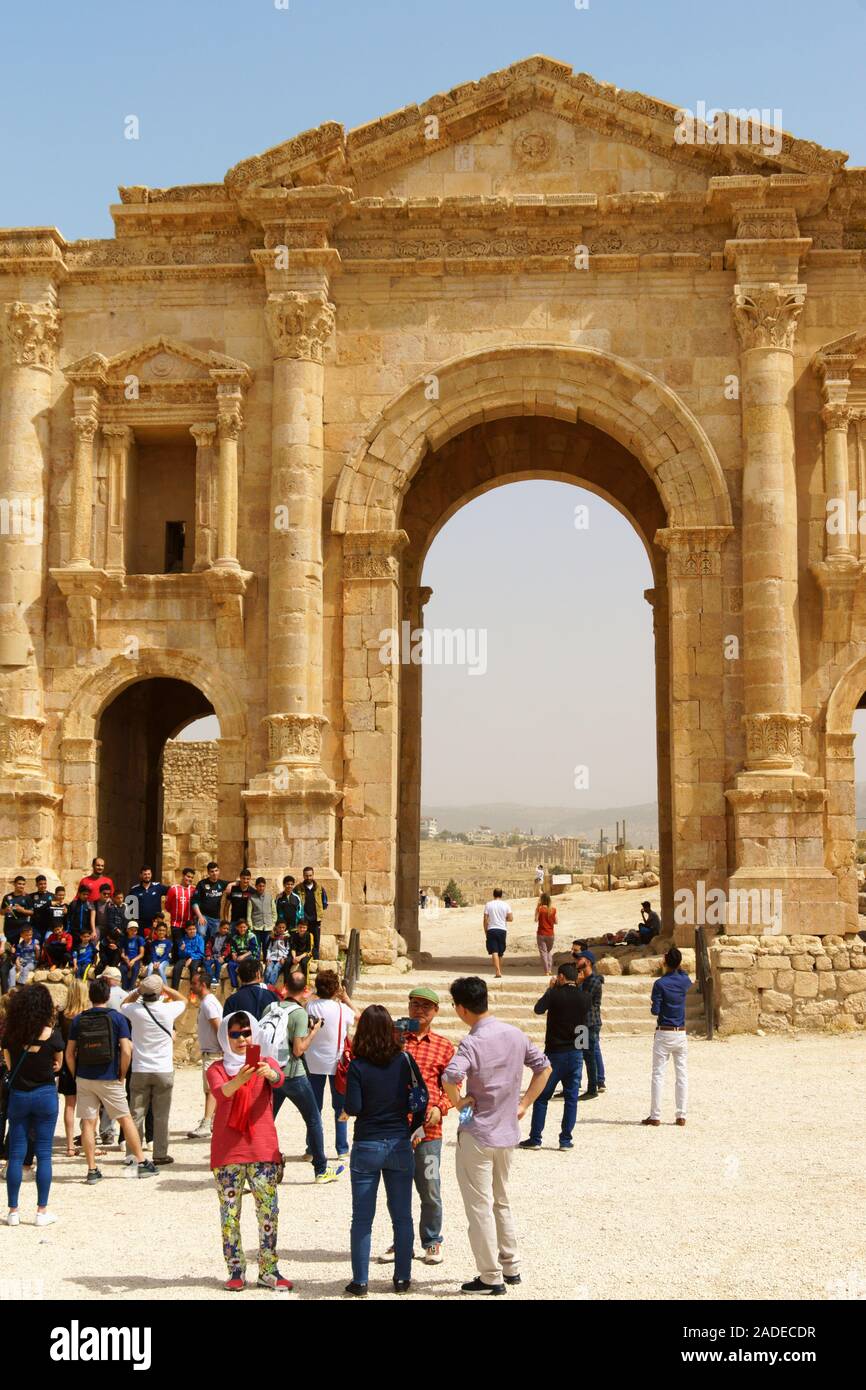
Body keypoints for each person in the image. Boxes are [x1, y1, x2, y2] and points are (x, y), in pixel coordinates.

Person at [442, 976, 551, 1295]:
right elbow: (544, 1068)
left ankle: (490, 1275)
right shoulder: (514, 1034)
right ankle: (511, 1265)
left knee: (479, 1206)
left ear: (461, 1009)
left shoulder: (471, 1042)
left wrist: (458, 1103)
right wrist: (525, 1103)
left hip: (477, 1131)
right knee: (501, 1200)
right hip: (508, 1131)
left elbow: (451, 1075)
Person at [342, 1004, 426, 1296]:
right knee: (402, 1215)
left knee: (362, 1217)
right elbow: (422, 1096)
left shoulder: (358, 1065)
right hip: (399, 1140)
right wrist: (413, 1125)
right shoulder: (404, 1060)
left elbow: (354, 1107)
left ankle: (360, 1281)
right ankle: (402, 1278)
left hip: (367, 1141)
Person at [207, 1011, 290, 1291]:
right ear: (225, 1037)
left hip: (262, 1149)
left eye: (246, 1033)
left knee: (269, 1212)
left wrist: (270, 1072)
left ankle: (269, 1269)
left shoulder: (265, 1062)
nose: (242, 1039)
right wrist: (241, 1078)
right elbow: (222, 1093)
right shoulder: (216, 1068)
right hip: (228, 1151)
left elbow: (280, 1079)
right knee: (230, 1214)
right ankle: (235, 1270)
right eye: (235, 1034)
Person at [66, 976, 157, 1183]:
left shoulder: (79, 1020)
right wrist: (122, 1074)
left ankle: (92, 1170)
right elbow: (126, 1050)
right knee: (125, 1119)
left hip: (85, 1076)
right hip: (109, 1076)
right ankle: (142, 1163)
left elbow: (70, 1053)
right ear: (108, 996)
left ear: (90, 996)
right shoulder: (117, 1018)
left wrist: (75, 1074)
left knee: (88, 1124)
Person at [261, 969, 343, 1184]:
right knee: (314, 1119)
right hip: (294, 1074)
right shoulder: (299, 1014)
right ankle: (321, 1170)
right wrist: (314, 1030)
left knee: (267, 1120)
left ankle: (262, 1165)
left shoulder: (271, 1007)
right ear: (305, 989)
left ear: (284, 987)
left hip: (272, 1073)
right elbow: (298, 1050)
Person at [401, 986, 455, 1265]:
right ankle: (401, 1241)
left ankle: (432, 1240)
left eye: (425, 1006)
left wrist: (440, 1107)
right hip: (396, 1129)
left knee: (430, 1189)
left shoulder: (445, 1046)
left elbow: (454, 1086)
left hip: (429, 1133)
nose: (418, 1010)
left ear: (435, 1011)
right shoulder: (394, 1040)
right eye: (414, 1004)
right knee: (398, 1191)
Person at [3, 983, 62, 1227]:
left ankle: (13, 1211)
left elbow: (9, 1066)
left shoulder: (10, 1035)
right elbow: (58, 1065)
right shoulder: (52, 1034)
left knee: (15, 1155)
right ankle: (41, 1211)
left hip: (19, 1094)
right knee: (44, 1154)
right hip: (45, 1093)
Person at [520, 961, 590, 1151]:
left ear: (560, 977)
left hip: (554, 1053)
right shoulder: (585, 997)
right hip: (575, 1052)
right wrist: (581, 1051)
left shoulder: (554, 994)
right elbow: (584, 1026)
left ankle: (535, 1138)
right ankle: (565, 1140)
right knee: (571, 1099)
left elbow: (538, 1009)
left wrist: (549, 989)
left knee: (542, 1097)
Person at [120, 974, 186, 1165]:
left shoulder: (135, 1010)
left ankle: (133, 1155)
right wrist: (165, 988)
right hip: (163, 1069)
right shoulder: (168, 1010)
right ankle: (160, 1154)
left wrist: (137, 990)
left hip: (140, 1068)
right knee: (161, 1115)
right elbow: (182, 999)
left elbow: (124, 1003)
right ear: (158, 993)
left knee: (135, 1114)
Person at [306, 969, 358, 1159]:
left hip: (312, 1063)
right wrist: (345, 998)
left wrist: (313, 993)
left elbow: (302, 1002)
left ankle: (312, 1149)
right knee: (340, 1107)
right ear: (336, 988)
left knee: (313, 1107)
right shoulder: (342, 1009)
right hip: (337, 1063)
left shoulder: (309, 1007)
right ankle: (342, 1148)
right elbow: (359, 1016)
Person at [643, 945, 692, 1128]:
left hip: (664, 1032)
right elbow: (684, 975)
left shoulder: (660, 984)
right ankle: (681, 1115)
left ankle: (655, 1115)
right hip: (680, 1033)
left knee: (658, 1074)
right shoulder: (685, 981)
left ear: (665, 962)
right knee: (682, 1074)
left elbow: (655, 1010)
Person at [186, 970, 223, 1140]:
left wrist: (223, 1049)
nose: (191, 987)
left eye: (193, 983)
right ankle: (214, 1121)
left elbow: (218, 1027)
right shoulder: (208, 1002)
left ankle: (206, 1124)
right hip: (213, 1052)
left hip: (214, 1053)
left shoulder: (208, 1004)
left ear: (202, 985)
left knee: (211, 1090)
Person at [56, 978, 90, 1158]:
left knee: (69, 1105)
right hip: (85, 1062)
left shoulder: (62, 1014)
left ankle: (70, 1145)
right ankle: (87, 1143)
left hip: (65, 1062)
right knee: (89, 1105)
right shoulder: (87, 1014)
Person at [579, 952, 606, 1099]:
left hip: (590, 1023)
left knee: (589, 1055)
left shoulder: (594, 981)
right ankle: (575, 1084)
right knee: (579, 1054)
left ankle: (593, 1088)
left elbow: (584, 1001)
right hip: (581, 1023)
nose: (577, 960)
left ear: (588, 962)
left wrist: (578, 984)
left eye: (580, 958)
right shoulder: (582, 979)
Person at [192, 862, 228, 941]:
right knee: (201, 934)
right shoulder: (201, 884)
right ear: (208, 872)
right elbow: (194, 902)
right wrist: (200, 916)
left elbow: (236, 883)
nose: (214, 873)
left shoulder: (222, 883)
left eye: (216, 870)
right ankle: (200, 953)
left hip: (216, 918)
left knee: (214, 938)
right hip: (203, 916)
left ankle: (211, 953)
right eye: (212, 871)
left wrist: (230, 886)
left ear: (219, 871)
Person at [482, 887, 512, 980]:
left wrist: (485, 930)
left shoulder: (488, 904)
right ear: (501, 895)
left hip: (491, 929)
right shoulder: (506, 905)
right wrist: (503, 919)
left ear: (493, 894)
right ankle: (499, 970)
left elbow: (485, 919)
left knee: (494, 951)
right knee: (500, 952)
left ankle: (497, 971)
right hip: (502, 929)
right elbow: (511, 918)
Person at [299, 866, 328, 961]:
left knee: (316, 941)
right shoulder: (298, 888)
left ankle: (316, 959)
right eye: (306, 876)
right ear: (303, 876)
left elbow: (324, 903)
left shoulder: (319, 888)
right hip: (304, 920)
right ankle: (305, 960)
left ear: (313, 875)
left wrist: (319, 912)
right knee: (304, 941)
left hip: (316, 919)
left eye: (310, 875)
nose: (308, 878)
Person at [165, 868, 196, 952]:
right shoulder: (173, 889)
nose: (190, 879)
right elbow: (167, 906)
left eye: (192, 877)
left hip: (189, 924)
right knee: (177, 945)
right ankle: (175, 962)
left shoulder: (194, 890)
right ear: (183, 876)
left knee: (187, 946)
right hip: (176, 924)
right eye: (188, 876)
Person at [97, 890, 126, 973]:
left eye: (121, 898)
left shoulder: (125, 907)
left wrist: (122, 931)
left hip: (121, 934)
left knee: (117, 951)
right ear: (114, 898)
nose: (120, 900)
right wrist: (116, 929)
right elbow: (109, 922)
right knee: (107, 951)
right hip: (112, 932)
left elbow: (125, 921)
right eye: (118, 898)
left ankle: (113, 966)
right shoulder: (111, 908)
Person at [171, 920, 206, 988]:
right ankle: (174, 990)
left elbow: (201, 954)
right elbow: (180, 955)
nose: (192, 931)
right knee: (176, 967)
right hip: (185, 958)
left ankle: (193, 992)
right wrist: (182, 950)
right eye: (190, 929)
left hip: (196, 958)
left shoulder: (200, 939)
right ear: (186, 930)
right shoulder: (183, 939)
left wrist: (191, 958)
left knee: (193, 967)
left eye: (194, 929)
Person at [226, 916, 260, 988]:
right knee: (231, 964)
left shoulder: (251, 936)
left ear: (247, 927)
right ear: (237, 928)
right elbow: (233, 948)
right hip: (239, 956)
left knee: (246, 965)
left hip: (249, 956)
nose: (242, 929)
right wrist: (233, 954)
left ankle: (246, 985)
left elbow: (254, 949)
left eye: (244, 927)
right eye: (240, 927)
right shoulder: (234, 937)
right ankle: (235, 986)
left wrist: (243, 956)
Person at [247, 876, 276, 960]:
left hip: (268, 927)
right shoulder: (252, 898)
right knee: (257, 947)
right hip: (256, 927)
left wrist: (273, 923)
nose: (261, 888)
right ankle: (257, 966)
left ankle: (266, 964)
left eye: (263, 886)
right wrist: (251, 926)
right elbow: (249, 914)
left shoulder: (270, 897)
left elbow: (274, 912)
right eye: (259, 886)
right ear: (256, 886)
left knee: (267, 947)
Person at [67, 883, 96, 951]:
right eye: (84, 894)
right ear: (79, 894)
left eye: (87, 894)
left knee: (84, 950)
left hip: (85, 933)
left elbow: (92, 920)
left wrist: (93, 931)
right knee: (73, 950)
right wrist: (68, 931)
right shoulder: (73, 904)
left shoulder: (90, 905)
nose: (86, 896)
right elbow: (69, 918)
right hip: (74, 932)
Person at [534, 893, 557, 975]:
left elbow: (536, 920)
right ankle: (550, 969)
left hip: (541, 933)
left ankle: (546, 971)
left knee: (543, 952)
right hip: (550, 934)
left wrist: (537, 909)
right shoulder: (553, 909)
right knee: (549, 951)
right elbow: (556, 921)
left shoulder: (540, 909)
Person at [120, 919, 146, 989]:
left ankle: (131, 988)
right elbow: (122, 953)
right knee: (122, 969)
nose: (133, 932)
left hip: (135, 959)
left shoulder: (139, 939)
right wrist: (125, 959)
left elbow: (141, 954)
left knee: (135, 969)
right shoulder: (124, 939)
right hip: (126, 959)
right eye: (131, 930)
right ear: (127, 930)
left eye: (135, 930)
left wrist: (133, 960)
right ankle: (124, 988)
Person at [263, 921, 290, 985]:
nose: (281, 929)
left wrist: (284, 957)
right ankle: (266, 987)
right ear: (276, 927)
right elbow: (269, 949)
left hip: (281, 959)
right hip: (272, 958)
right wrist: (268, 958)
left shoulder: (286, 937)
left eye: (283, 927)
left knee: (275, 970)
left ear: (285, 928)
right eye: (279, 927)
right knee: (268, 970)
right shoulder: (272, 937)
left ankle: (270, 987)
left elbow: (288, 949)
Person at [27, 875, 53, 941]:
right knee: (37, 945)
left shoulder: (52, 896)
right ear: (36, 885)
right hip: (35, 927)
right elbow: (31, 911)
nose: (43, 886)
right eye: (40, 884)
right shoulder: (31, 896)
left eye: (44, 884)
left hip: (48, 927)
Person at [206, 919, 231, 986]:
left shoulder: (228, 938)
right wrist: (208, 955)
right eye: (224, 928)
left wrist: (223, 956)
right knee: (206, 963)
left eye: (227, 929)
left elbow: (228, 949)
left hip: (221, 956)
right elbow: (208, 946)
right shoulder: (213, 936)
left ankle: (217, 979)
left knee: (218, 964)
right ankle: (212, 978)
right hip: (212, 955)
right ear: (219, 928)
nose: (225, 930)